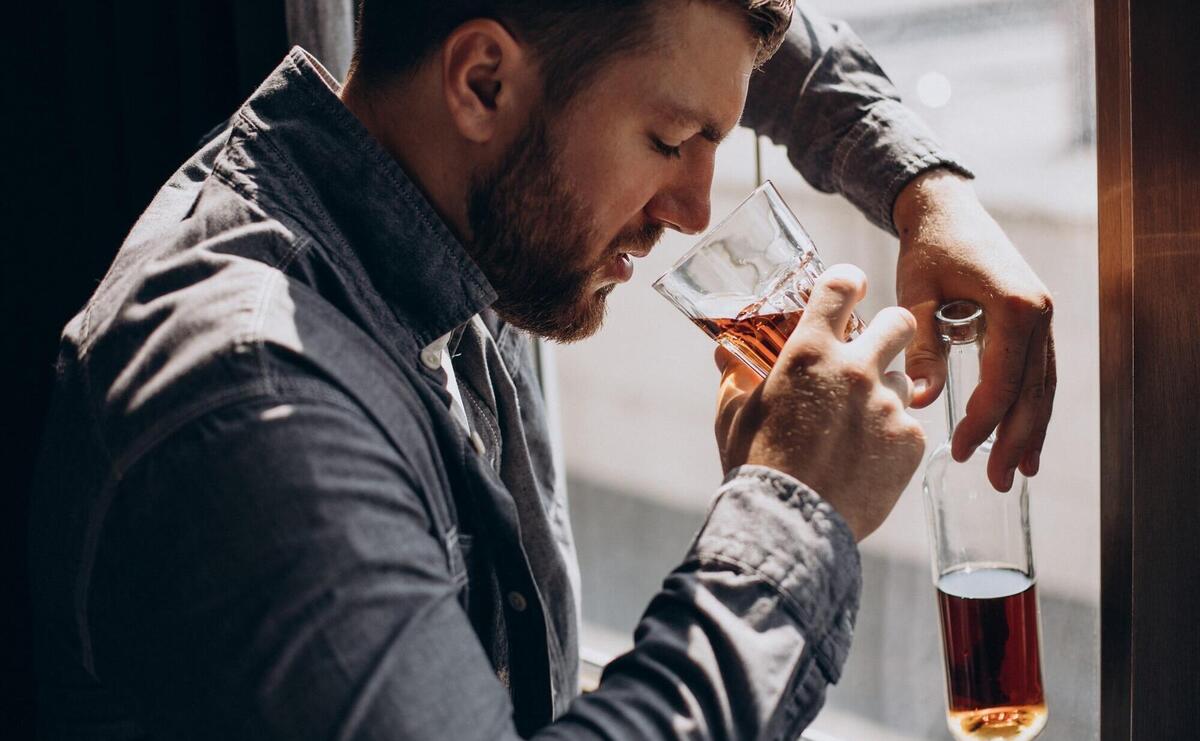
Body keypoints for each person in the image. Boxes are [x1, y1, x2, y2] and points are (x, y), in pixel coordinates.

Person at [29, 0, 1054, 738]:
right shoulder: (254, 410)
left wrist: (923, 187)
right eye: (668, 141)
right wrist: (791, 510)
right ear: (482, 80)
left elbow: (657, 37)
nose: (696, 210)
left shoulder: (456, 191)